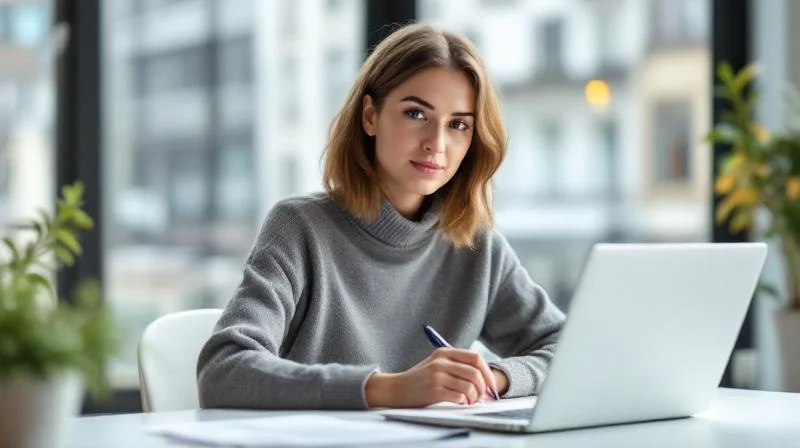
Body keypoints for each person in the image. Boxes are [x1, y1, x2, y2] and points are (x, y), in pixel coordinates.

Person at [197, 23, 565, 410]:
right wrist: (389, 389)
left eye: (458, 124)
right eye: (416, 114)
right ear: (370, 116)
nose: (436, 144)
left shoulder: (476, 244)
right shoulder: (299, 228)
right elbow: (223, 371)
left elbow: (568, 349)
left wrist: (493, 379)